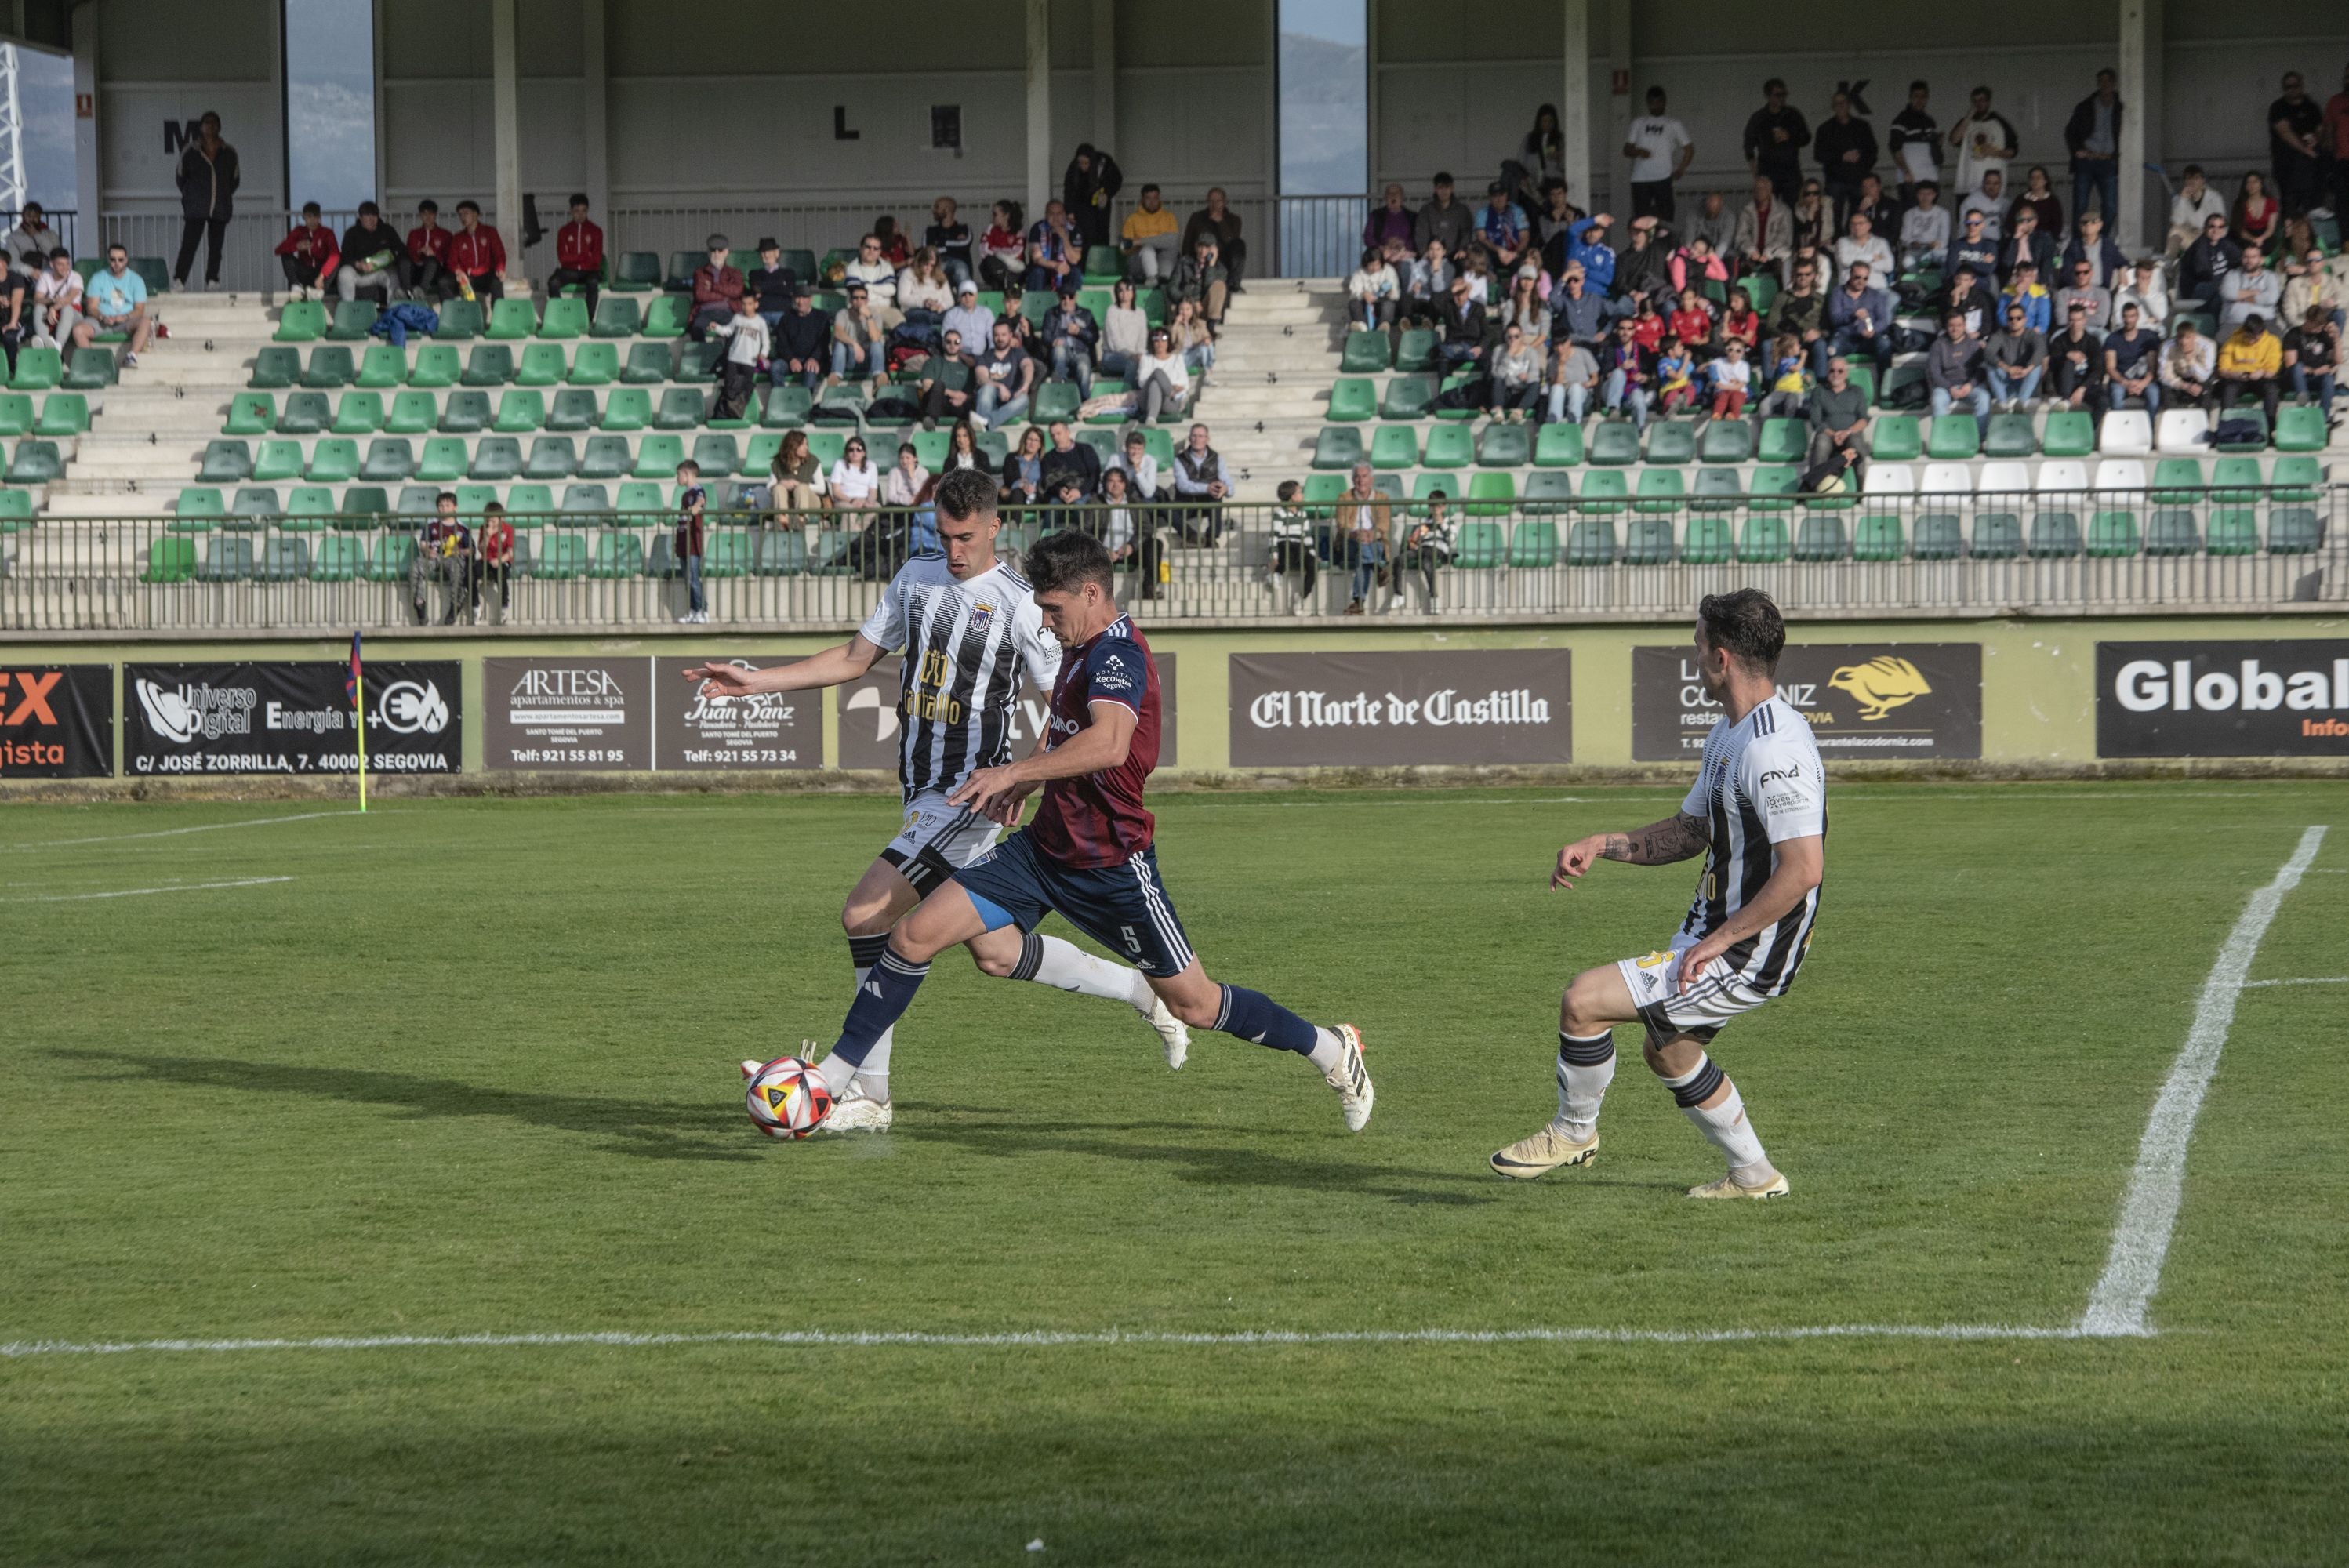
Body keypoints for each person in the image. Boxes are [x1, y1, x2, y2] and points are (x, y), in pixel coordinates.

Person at [695, 472, 1187, 1131]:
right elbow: (851, 657)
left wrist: (1021, 780)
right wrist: (754, 684)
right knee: (997, 954)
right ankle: (1140, 990)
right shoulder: (915, 578)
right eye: (943, 535)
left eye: (964, 537)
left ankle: (868, 1093)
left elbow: (1061, 706)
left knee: (865, 913)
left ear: (992, 528)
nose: (954, 550)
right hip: (919, 790)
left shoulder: (1020, 602)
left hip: (966, 796)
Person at [1491, 590, 1819, 1200]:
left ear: (1721, 658)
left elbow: (1803, 870)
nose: (1692, 655)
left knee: (1583, 1001)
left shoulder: (1775, 749)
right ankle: (1754, 1176)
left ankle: (1573, 1133)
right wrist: (1603, 843)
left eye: (1697, 644)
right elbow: (1691, 831)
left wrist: (1719, 942)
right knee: (1668, 1051)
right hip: (1717, 930)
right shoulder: (1731, 732)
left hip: (1750, 945)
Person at [172, 111, 239, 291]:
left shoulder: (229, 152)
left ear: (220, 126)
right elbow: (180, 178)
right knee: (189, 245)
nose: (210, 126)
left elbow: (234, 180)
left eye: (214, 122)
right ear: (201, 127)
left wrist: (222, 195)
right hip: (196, 208)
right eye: (207, 123)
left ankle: (212, 280)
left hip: (220, 208)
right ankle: (179, 280)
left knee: (216, 247)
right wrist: (192, 196)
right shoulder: (191, 151)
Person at [74, 245, 153, 368]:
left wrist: (124, 317)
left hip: (126, 321)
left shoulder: (136, 280)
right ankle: (94, 363)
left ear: (126, 260)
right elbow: (92, 308)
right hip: (101, 321)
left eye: (120, 260)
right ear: (108, 259)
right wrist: (102, 317)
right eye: (113, 259)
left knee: (146, 321)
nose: (117, 263)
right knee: (78, 330)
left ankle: (131, 356)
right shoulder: (98, 278)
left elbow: (139, 310)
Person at [1625, 85, 1694, 222]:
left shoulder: (1674, 124)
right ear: (1648, 103)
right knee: (1640, 219)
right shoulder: (1638, 123)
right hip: (1640, 179)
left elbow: (1689, 149)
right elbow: (1626, 149)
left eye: (1659, 102)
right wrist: (1639, 151)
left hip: (1663, 178)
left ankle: (1665, 243)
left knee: (1666, 218)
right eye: (1652, 102)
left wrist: (1681, 169)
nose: (1656, 106)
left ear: (1664, 102)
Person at [2064, 70, 2123, 224]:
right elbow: (2070, 131)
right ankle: (2079, 244)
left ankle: (2100, 240)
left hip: (2108, 161)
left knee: (2111, 208)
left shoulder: (2121, 107)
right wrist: (2077, 150)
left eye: (2108, 82)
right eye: (2101, 82)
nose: (2104, 86)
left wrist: (2117, 156)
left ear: (2114, 84)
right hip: (2087, 161)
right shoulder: (2085, 106)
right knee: (2080, 206)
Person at [1814, 88, 1878, 224]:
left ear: (1849, 104)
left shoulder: (1862, 126)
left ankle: (1854, 242)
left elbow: (1872, 151)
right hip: (1835, 180)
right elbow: (1818, 155)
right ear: (1833, 107)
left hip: (1858, 179)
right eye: (1837, 104)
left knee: (1859, 215)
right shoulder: (1825, 128)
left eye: (1843, 103)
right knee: (1833, 217)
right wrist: (1841, 157)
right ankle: (1836, 242)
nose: (1841, 106)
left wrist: (1863, 168)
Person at [1098, 464, 1162, 598]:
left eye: (1119, 481)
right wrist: (1103, 550)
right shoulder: (1095, 503)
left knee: (1155, 544)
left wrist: (1132, 545)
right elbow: (1086, 531)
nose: (1115, 485)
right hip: (1103, 554)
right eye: (1111, 481)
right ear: (1105, 483)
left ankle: (1149, 587)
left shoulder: (1134, 502)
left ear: (1125, 484)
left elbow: (1146, 529)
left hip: (1129, 552)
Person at [1820, 259, 1892, 377]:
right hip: (1845, 337)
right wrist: (1852, 315)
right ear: (1850, 275)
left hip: (1869, 338)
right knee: (1832, 348)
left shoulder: (1875, 294)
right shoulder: (1837, 292)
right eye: (1857, 277)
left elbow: (1883, 320)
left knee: (1884, 344)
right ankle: (1831, 385)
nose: (1861, 281)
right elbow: (1835, 319)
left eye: (1865, 278)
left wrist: (1873, 330)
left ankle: (1885, 383)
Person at [1742, 78, 1811, 200]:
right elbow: (1748, 146)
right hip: (1768, 172)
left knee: (1793, 211)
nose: (1782, 98)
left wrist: (1789, 136)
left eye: (1784, 94)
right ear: (1768, 96)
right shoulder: (1759, 118)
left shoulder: (1793, 115)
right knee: (1768, 212)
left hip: (1791, 172)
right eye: (1778, 95)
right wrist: (1756, 174)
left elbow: (1806, 138)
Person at [2268, 72, 2325, 217]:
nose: (2292, 89)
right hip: (2286, 163)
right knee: (2290, 201)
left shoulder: (2311, 106)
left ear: (2301, 86)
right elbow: (2285, 132)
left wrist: (2315, 139)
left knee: (2309, 200)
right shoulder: (2278, 107)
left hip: (2309, 164)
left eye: (2295, 85)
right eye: (2288, 86)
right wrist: (2305, 149)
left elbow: (2320, 129)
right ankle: (2290, 233)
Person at [708, 289, 768, 423]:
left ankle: (735, 413)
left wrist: (763, 354)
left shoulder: (761, 322)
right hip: (734, 359)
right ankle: (724, 414)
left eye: (750, 304)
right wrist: (716, 327)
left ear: (756, 305)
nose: (747, 307)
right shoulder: (737, 317)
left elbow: (766, 342)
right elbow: (727, 331)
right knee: (729, 388)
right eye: (744, 304)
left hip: (749, 362)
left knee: (744, 390)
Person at [1805, 354, 1869, 477]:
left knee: (1856, 443)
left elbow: (1864, 419)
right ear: (1827, 373)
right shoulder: (1819, 392)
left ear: (1846, 373)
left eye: (1840, 371)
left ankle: (1861, 492)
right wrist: (1833, 434)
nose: (1836, 374)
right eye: (1832, 371)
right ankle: (1814, 487)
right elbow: (1816, 421)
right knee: (1821, 443)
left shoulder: (1857, 391)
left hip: (1851, 433)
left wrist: (1847, 432)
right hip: (1828, 434)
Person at [1949, 85, 2018, 197]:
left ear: (1988, 101)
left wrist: (1995, 153)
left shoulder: (2000, 122)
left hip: (1993, 186)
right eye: (1975, 101)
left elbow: (2013, 151)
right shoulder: (1966, 123)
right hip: (1969, 184)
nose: (1979, 104)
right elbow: (1954, 140)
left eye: (1982, 100)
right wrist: (1968, 117)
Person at [412, 493, 469, 626]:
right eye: (441, 506)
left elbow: (470, 550)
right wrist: (428, 551)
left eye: (447, 505)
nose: (444, 508)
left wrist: (459, 551)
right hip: (434, 557)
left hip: (453, 557)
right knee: (416, 567)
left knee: (459, 569)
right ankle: (419, 604)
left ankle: (456, 605)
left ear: (455, 507)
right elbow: (423, 545)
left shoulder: (462, 527)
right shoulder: (431, 525)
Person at [1171, 423, 1233, 543]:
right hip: (1186, 502)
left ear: (1207, 439)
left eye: (1201, 436)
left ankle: (1212, 537)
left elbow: (1229, 484)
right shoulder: (1179, 459)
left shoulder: (1217, 458)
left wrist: (1226, 489)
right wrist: (1207, 488)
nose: (1197, 439)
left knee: (1217, 494)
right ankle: (1191, 535)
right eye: (1194, 436)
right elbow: (1183, 486)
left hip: (1207, 502)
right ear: (1189, 439)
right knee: (1166, 509)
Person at [2216, 313, 2282, 424]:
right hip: (2237, 378)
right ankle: (2226, 426)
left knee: (2272, 389)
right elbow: (2223, 369)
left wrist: (2261, 373)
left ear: (2261, 334)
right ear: (2244, 332)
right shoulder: (2232, 342)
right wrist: (2234, 374)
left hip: (2261, 377)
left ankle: (2269, 427)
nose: (2251, 340)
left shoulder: (2272, 342)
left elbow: (2273, 369)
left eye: (2255, 338)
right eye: (2248, 336)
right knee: (2229, 389)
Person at [974, 318, 1037, 429]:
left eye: (1003, 335)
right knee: (986, 388)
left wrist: (1025, 386)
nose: (1000, 338)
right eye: (996, 335)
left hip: (1012, 400)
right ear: (992, 337)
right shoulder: (985, 356)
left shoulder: (1018, 353)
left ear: (1010, 335)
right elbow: (981, 378)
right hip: (992, 400)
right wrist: (1000, 386)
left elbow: (1028, 366)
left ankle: (986, 423)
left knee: (1023, 399)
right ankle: (986, 424)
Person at [1265, 480, 1317, 614]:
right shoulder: (1280, 514)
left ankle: (1301, 597)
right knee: (1289, 548)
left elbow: (1307, 536)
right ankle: (1276, 572)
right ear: (1292, 497)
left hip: (1299, 545)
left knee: (1312, 565)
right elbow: (1274, 536)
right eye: (1300, 492)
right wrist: (1274, 556)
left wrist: (1312, 553)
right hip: (1285, 543)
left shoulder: (1303, 515)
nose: (1303, 495)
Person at [547, 193, 604, 316]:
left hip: (590, 271)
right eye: (577, 211)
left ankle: (588, 319)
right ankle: (558, 316)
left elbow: (596, 259)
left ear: (587, 211)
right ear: (571, 211)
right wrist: (583, 256)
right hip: (569, 271)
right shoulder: (564, 231)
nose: (580, 214)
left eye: (584, 211)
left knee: (593, 283)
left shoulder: (596, 231)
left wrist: (573, 258)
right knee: (553, 282)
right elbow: (562, 257)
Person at [1180, 188, 1247, 290]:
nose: (1214, 204)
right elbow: (1188, 242)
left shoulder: (1234, 219)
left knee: (1239, 244)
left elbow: (1231, 240)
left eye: (1218, 201)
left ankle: (1234, 284)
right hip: (1201, 258)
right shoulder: (1197, 217)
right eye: (1211, 201)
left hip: (1224, 260)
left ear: (1225, 202)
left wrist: (1221, 222)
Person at [1041, 281, 1099, 397]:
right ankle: (1060, 390)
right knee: (1059, 349)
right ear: (1058, 297)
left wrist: (1079, 331)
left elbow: (1095, 336)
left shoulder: (1086, 314)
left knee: (1083, 368)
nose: (1067, 301)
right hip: (1061, 352)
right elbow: (1045, 336)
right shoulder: (1051, 314)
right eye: (1063, 297)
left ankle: (1084, 401)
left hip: (1081, 352)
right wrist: (1054, 341)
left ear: (1076, 297)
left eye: (1071, 297)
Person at [1399, 492, 1453, 615]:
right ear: (1429, 507)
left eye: (1438, 507)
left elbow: (1451, 539)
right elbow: (1418, 537)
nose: (1435, 510)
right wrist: (1413, 542)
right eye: (1432, 507)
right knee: (1404, 559)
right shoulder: (1425, 524)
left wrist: (1441, 524)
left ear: (1444, 507)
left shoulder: (1448, 522)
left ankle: (1435, 599)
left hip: (1440, 550)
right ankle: (1399, 595)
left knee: (1427, 563)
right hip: (1425, 550)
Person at [1985, 303, 2047, 411]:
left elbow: (2041, 350)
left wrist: (2027, 370)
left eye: (2018, 318)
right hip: (2006, 379)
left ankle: (2021, 404)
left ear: (2025, 319)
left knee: (2036, 367)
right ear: (2007, 320)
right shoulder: (2000, 334)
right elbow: (1988, 352)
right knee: (1990, 366)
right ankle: (2002, 404)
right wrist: (2007, 368)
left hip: (2025, 380)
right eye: (2011, 318)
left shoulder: (2031, 335)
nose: (2014, 321)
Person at [2282, 304, 2339, 421]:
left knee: (2328, 379)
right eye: (2316, 326)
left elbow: (2338, 360)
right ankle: (2304, 407)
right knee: (2297, 367)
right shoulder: (2293, 334)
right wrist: (2314, 371)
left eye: (2321, 326)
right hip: (2296, 378)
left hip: (2315, 379)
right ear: (2308, 320)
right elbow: (2290, 365)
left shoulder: (2322, 334)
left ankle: (2323, 418)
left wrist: (2336, 339)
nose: (2319, 329)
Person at [1889, 80, 1942, 204]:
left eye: (1923, 96)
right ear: (1910, 97)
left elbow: (1936, 153)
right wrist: (1906, 171)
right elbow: (1894, 147)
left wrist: (1937, 144)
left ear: (1927, 98)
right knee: (1910, 217)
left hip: (1930, 177)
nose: (1919, 100)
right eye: (1916, 96)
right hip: (1911, 179)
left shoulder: (1930, 121)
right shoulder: (1901, 120)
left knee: (1930, 216)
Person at [1062, 143, 1124, 250]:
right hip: (1081, 207)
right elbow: (1069, 190)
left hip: (1100, 207)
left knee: (1101, 235)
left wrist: (1107, 194)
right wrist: (1070, 211)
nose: (1083, 166)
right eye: (1080, 163)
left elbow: (1117, 180)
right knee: (1083, 237)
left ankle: (1100, 262)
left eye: (1086, 163)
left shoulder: (1105, 164)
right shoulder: (1073, 168)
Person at [1731, 174, 1792, 281]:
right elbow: (1742, 236)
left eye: (1763, 188)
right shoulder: (1746, 211)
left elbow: (1784, 237)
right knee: (1742, 266)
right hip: (1753, 253)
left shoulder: (1783, 211)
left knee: (1779, 267)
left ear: (1770, 190)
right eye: (1757, 188)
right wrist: (1751, 250)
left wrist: (1768, 252)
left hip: (1774, 253)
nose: (1760, 191)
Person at [2104, 302, 2162, 412]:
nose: (2128, 320)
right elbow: (2110, 367)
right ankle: (2120, 428)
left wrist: (2142, 384)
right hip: (2120, 381)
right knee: (2116, 396)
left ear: (2137, 316)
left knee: (2154, 394)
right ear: (2122, 317)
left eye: (2132, 316)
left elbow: (2152, 367)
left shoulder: (2148, 336)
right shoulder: (2113, 338)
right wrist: (2125, 383)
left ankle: (2149, 428)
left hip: (2144, 380)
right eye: (2126, 316)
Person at [274, 203, 339, 301]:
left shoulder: (327, 233)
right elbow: (278, 250)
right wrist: (296, 247)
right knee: (286, 254)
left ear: (319, 217)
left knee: (336, 258)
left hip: (322, 276)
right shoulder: (299, 231)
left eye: (315, 216)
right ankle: (296, 286)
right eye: (309, 217)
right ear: (304, 217)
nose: (312, 220)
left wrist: (322, 276)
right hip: (307, 273)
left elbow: (335, 256)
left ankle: (320, 291)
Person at [914, 328, 978, 429]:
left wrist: (963, 398)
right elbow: (927, 386)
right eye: (949, 342)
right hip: (937, 403)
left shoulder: (966, 368)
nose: (952, 345)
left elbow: (970, 394)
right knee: (938, 384)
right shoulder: (933, 362)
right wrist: (952, 393)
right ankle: (930, 420)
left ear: (961, 345)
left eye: (956, 342)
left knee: (972, 401)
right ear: (943, 344)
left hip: (957, 405)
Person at [2178, 213, 2242, 312]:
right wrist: (2228, 282)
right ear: (2205, 228)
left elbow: (2240, 259)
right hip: (2197, 288)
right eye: (2212, 226)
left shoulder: (2224, 243)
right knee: (2222, 296)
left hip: (2218, 286)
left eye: (2220, 227)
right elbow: (2205, 274)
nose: (2216, 230)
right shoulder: (2201, 246)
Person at [2049, 302, 2105, 412]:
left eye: (2078, 320)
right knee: (2068, 361)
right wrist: (2066, 355)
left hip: (2085, 384)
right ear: (2068, 321)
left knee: (2103, 402)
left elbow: (2098, 369)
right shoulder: (2060, 341)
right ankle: (2066, 400)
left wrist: (2081, 389)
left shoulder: (2092, 342)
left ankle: (2090, 429)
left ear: (2084, 320)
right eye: (2072, 320)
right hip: (2064, 384)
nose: (2075, 324)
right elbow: (2052, 364)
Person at [670, 462, 709, 625]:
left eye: (679, 474)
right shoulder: (685, 494)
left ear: (687, 473)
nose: (677, 478)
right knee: (687, 579)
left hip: (692, 542)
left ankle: (703, 610)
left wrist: (696, 506)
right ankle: (693, 610)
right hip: (683, 540)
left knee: (694, 578)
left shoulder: (696, 490)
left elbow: (701, 499)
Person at [772, 288, 831, 392]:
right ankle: (782, 400)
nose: (800, 301)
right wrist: (791, 359)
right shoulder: (786, 317)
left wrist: (814, 358)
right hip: (791, 359)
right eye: (798, 298)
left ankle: (805, 405)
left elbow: (824, 342)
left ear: (811, 299)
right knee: (775, 367)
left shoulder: (822, 317)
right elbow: (781, 343)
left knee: (811, 369)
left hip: (814, 359)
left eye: (804, 298)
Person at [1600, 316, 1654, 430]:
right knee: (1619, 374)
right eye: (1622, 329)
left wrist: (1644, 377)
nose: (1626, 332)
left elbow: (1650, 375)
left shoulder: (1642, 349)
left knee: (1639, 399)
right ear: (1617, 330)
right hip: (1611, 391)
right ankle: (1613, 409)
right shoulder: (1610, 348)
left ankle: (1638, 432)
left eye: (1629, 329)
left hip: (1632, 388)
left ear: (1634, 331)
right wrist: (1622, 367)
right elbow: (1607, 375)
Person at [447, 201, 506, 303]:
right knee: (447, 283)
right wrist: (459, 272)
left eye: (466, 213)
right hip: (467, 277)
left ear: (475, 214)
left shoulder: (489, 232)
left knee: (497, 282)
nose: (463, 217)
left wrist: (500, 269)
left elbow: (499, 254)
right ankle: (457, 314)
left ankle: (499, 315)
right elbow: (452, 260)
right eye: (460, 215)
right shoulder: (458, 237)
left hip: (486, 276)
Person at [1120, 183, 1182, 282]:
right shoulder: (1132, 219)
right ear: (1142, 200)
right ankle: (1153, 279)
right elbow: (1124, 247)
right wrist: (1141, 246)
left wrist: (1139, 241)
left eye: (1155, 198)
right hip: (1139, 263)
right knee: (1147, 249)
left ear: (1159, 199)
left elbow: (1173, 240)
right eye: (1148, 198)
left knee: (1172, 243)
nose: (1152, 202)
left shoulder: (1169, 217)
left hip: (1163, 261)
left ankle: (1163, 279)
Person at [1134, 325, 1193, 426]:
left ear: (1168, 341)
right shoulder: (1146, 359)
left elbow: (1184, 383)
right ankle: (1170, 394)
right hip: (1148, 400)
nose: (1160, 342)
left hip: (1169, 403)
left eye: (1164, 338)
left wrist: (1164, 384)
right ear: (1152, 342)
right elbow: (1142, 382)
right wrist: (1171, 387)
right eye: (1156, 339)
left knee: (1156, 382)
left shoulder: (1177, 358)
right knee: (1156, 376)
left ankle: (1151, 418)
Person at [1168, 234, 1229, 329]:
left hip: (1204, 308)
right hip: (1186, 305)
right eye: (1200, 246)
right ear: (1196, 247)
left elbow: (1208, 288)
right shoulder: (1184, 262)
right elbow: (1172, 287)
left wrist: (1211, 266)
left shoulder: (1220, 269)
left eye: (1207, 248)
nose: (1203, 251)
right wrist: (1189, 301)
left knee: (1219, 285)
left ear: (1214, 250)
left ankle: (1212, 324)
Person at [688, 234, 744, 340]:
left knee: (736, 332)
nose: (717, 254)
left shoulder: (735, 273)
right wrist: (725, 296)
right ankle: (703, 356)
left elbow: (737, 292)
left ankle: (727, 357)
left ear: (726, 252)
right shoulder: (700, 273)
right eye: (713, 251)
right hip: (705, 313)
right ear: (709, 253)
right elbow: (700, 295)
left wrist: (713, 287)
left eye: (720, 250)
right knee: (696, 330)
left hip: (728, 312)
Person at [829, 284, 885, 387]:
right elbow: (838, 332)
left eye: (862, 298)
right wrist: (855, 344)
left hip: (869, 359)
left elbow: (875, 338)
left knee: (877, 345)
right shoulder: (843, 313)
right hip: (849, 358)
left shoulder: (875, 315)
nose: (859, 301)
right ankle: (835, 378)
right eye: (855, 298)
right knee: (840, 345)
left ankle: (878, 378)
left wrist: (868, 317)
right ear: (851, 301)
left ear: (867, 301)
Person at [2220, 244, 2282, 335]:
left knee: (2278, 339)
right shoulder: (2232, 275)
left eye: (2253, 257)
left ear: (2261, 260)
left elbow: (2272, 298)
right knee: (2220, 340)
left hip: (2265, 323)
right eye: (2246, 257)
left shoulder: (2270, 276)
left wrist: (2241, 296)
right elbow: (2228, 293)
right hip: (2234, 323)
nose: (2249, 260)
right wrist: (2254, 293)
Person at [2167, 165, 2229, 255]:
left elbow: (2221, 222)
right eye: (2188, 179)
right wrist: (2183, 200)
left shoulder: (2214, 197)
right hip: (2192, 238)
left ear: (2203, 181)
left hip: (2212, 238)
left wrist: (2205, 230)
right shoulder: (2179, 199)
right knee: (2175, 231)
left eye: (2196, 178)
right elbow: (2177, 222)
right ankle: (2168, 264)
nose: (2192, 182)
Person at [2161, 319, 2219, 412]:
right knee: (2166, 392)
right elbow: (2165, 375)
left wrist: (2190, 360)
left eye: (2188, 338)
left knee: (2206, 391)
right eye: (2180, 338)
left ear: (2195, 336)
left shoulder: (2208, 345)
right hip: (2178, 378)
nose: (2184, 342)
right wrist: (2185, 386)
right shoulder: (2168, 346)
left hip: (2198, 378)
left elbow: (2204, 376)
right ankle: (2173, 423)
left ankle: (2204, 424)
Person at [30, 249, 82, 350]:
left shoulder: (75, 277)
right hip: (52, 316)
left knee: (67, 308)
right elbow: (37, 299)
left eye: (67, 264)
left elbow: (69, 299)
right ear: (52, 265)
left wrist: (54, 308)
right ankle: (44, 342)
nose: (65, 268)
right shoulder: (46, 276)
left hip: (73, 315)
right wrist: (52, 300)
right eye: (60, 264)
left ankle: (58, 346)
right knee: (39, 307)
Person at [1491, 323, 1544, 421]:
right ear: (1505, 337)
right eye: (1509, 337)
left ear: (1522, 337)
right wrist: (1509, 354)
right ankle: (1498, 410)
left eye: (1516, 336)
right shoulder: (1499, 350)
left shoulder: (1531, 352)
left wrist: (1527, 377)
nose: (1513, 340)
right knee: (1498, 380)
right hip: (1506, 392)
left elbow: (1535, 376)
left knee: (1535, 385)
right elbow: (1497, 374)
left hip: (1522, 393)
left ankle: (1519, 412)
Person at [473, 499, 514, 622]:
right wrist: (487, 536)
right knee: (471, 574)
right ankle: (476, 606)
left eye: (493, 521)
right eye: (488, 520)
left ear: (501, 519)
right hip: (486, 559)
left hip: (501, 560)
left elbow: (510, 552)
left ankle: (504, 606)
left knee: (501, 575)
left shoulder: (508, 530)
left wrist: (500, 560)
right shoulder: (483, 529)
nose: (490, 523)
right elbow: (481, 549)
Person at [768, 430, 827, 516]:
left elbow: (822, 489)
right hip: (787, 502)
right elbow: (769, 487)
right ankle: (782, 519)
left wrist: (801, 485)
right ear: (793, 446)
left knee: (801, 488)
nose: (806, 447)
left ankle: (801, 520)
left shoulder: (813, 461)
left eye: (807, 444)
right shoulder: (778, 463)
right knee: (778, 488)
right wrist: (781, 483)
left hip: (809, 502)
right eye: (803, 445)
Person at [1832, 211, 1894, 292]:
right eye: (1853, 224)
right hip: (1850, 289)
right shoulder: (1842, 242)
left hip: (1877, 288)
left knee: (1894, 298)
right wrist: (1872, 257)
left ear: (1869, 225)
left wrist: (1859, 265)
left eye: (1861, 223)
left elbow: (1889, 266)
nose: (1857, 227)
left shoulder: (1881, 242)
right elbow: (1846, 261)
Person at [1414, 172, 1473, 256]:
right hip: (1431, 254)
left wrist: (1462, 249)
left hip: (1455, 255)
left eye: (1447, 187)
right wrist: (1425, 252)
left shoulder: (1462, 210)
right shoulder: (1426, 210)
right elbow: (1421, 234)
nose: (1444, 191)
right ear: (1435, 189)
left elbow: (1466, 233)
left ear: (1452, 188)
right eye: (1440, 188)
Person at [404, 200, 452, 301]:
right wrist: (420, 251)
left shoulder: (445, 234)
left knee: (432, 261)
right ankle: (407, 291)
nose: (427, 217)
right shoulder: (414, 234)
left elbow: (448, 257)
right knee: (404, 261)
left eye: (431, 213)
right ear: (420, 215)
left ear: (435, 215)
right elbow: (409, 253)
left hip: (436, 272)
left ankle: (421, 293)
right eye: (424, 214)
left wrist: (434, 255)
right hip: (417, 270)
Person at [1040, 421, 1100, 500]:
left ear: (1068, 433)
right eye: (1052, 435)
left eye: (1059, 434)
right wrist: (1059, 491)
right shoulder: (1048, 457)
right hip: (1059, 497)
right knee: (1052, 509)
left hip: (1084, 493)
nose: (1055, 438)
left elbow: (1094, 475)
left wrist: (1080, 491)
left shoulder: (1085, 450)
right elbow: (1046, 480)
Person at [1900, 181, 1950, 274]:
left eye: (1929, 194)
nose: (1925, 197)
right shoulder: (1909, 214)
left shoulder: (1943, 213)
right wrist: (1912, 243)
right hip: (1915, 249)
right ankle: (1917, 283)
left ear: (1934, 195)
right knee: (1907, 262)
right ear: (1917, 195)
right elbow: (1904, 238)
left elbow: (1944, 240)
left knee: (1946, 259)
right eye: (1922, 194)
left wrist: (1936, 244)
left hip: (1935, 250)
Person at [925, 196, 974, 287]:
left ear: (947, 210)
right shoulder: (930, 231)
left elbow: (965, 244)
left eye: (937, 207)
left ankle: (966, 296)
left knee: (960, 266)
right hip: (938, 265)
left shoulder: (964, 228)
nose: (933, 210)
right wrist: (954, 244)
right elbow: (927, 251)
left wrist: (941, 244)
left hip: (960, 266)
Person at [2054, 260, 2113, 334]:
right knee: (2055, 336)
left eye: (2085, 272)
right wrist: (2086, 318)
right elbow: (2061, 320)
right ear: (2073, 274)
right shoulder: (2063, 293)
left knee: (2104, 337)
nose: (2081, 276)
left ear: (2091, 273)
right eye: (2077, 273)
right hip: (2068, 330)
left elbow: (2101, 321)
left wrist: (2075, 320)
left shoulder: (2103, 293)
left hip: (2094, 330)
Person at [978, 201, 1026, 292]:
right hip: (995, 268)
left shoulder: (1019, 231)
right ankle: (1005, 286)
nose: (992, 217)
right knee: (989, 263)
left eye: (995, 214)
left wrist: (998, 253)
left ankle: (1009, 287)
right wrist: (1001, 254)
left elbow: (1017, 253)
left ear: (1006, 216)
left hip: (1014, 270)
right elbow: (984, 251)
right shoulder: (990, 229)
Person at [829, 435, 882, 515]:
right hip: (844, 501)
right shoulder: (839, 464)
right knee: (851, 512)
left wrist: (868, 502)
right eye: (851, 450)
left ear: (864, 453)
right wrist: (852, 500)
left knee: (876, 509)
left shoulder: (871, 466)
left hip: (864, 500)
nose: (855, 452)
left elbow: (873, 492)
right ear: (847, 452)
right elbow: (836, 492)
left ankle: (858, 528)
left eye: (859, 449)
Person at [2113, 256, 2170, 331]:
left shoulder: (2158, 295)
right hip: (2128, 332)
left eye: (2148, 278)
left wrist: (2146, 296)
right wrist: (2147, 320)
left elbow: (2162, 317)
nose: (2145, 281)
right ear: (2135, 277)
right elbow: (2119, 321)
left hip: (2150, 332)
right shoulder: (2123, 296)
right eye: (2142, 278)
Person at [844, 232, 899, 309]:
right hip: (859, 309)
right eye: (868, 247)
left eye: (876, 248)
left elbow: (892, 290)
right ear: (861, 248)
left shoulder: (887, 266)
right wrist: (882, 297)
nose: (871, 251)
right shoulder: (852, 268)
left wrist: (868, 287)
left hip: (885, 308)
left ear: (880, 252)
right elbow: (859, 296)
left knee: (900, 320)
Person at [2010, 164, 2064, 239]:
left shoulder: (2053, 201)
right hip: (2023, 238)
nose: (2035, 180)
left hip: (2045, 241)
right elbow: (2010, 222)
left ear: (2045, 181)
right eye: (2032, 178)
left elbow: (2057, 226)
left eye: (2038, 178)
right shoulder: (2021, 200)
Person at [1706, 336, 1754, 419]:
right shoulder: (1719, 361)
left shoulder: (1744, 365)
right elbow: (1699, 370)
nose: (1734, 353)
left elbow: (1740, 386)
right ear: (1726, 350)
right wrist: (1708, 364)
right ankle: (1717, 415)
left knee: (1736, 398)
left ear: (1742, 352)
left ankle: (1734, 416)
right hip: (1722, 391)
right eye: (1731, 350)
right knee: (1721, 398)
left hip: (1738, 391)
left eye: (1738, 351)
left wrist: (1724, 386)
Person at [2232, 172, 2280, 252]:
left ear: (2261, 184)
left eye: (2255, 182)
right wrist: (2253, 239)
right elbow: (2240, 228)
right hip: (2247, 236)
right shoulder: (2240, 203)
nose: (2252, 185)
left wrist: (2260, 239)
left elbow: (2271, 229)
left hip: (2265, 236)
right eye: (2248, 182)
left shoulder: (2271, 202)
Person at [1000, 425, 1046, 506]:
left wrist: (1035, 489)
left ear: (1040, 445)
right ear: (1024, 440)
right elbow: (1008, 478)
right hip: (1015, 494)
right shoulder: (1011, 457)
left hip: (1035, 496)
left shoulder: (1044, 461)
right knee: (1017, 493)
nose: (1032, 443)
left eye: (1036, 440)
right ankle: (1013, 520)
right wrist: (1022, 486)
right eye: (1030, 439)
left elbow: (1046, 481)